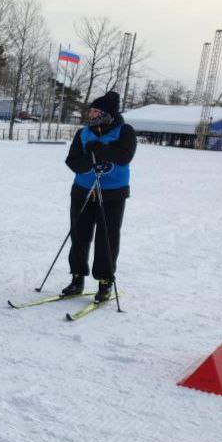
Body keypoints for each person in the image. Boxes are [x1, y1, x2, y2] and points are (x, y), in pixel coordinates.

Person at [62, 91, 135, 303]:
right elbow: (72, 161)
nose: (91, 114)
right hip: (83, 191)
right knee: (79, 235)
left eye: (95, 111)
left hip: (112, 194)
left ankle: (105, 282)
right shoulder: (83, 133)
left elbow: (124, 156)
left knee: (107, 239)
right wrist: (91, 159)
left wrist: (101, 150)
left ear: (106, 114)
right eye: (90, 110)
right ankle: (77, 278)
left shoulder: (125, 131)